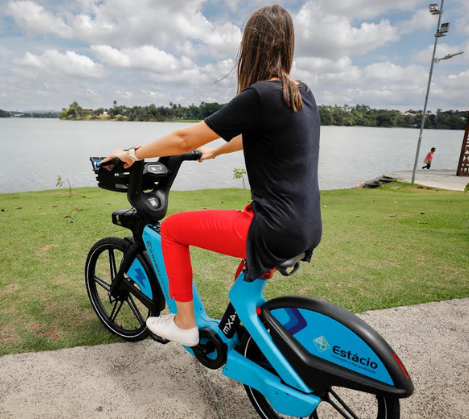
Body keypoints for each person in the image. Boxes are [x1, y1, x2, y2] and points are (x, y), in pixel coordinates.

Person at [100, 4, 322, 347]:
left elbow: (184, 138)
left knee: (172, 230)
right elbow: (257, 135)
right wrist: (216, 150)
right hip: (305, 226)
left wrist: (133, 154)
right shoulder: (301, 93)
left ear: (250, 47)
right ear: (287, 45)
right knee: (242, 295)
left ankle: (185, 323)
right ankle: (236, 340)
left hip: (270, 228)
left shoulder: (260, 94)